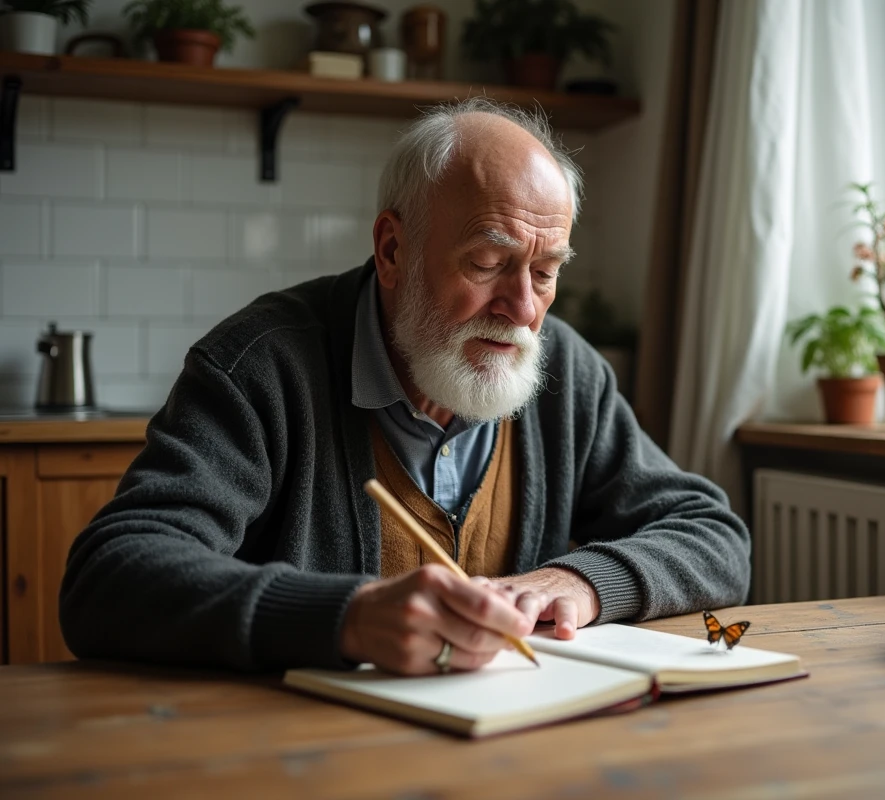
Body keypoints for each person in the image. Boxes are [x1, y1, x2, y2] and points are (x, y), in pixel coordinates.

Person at [59, 97, 750, 676]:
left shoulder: (565, 371)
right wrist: (349, 617)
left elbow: (713, 535)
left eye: (545, 273)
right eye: (488, 262)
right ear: (393, 250)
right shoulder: (259, 367)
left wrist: (582, 581)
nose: (523, 310)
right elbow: (109, 577)